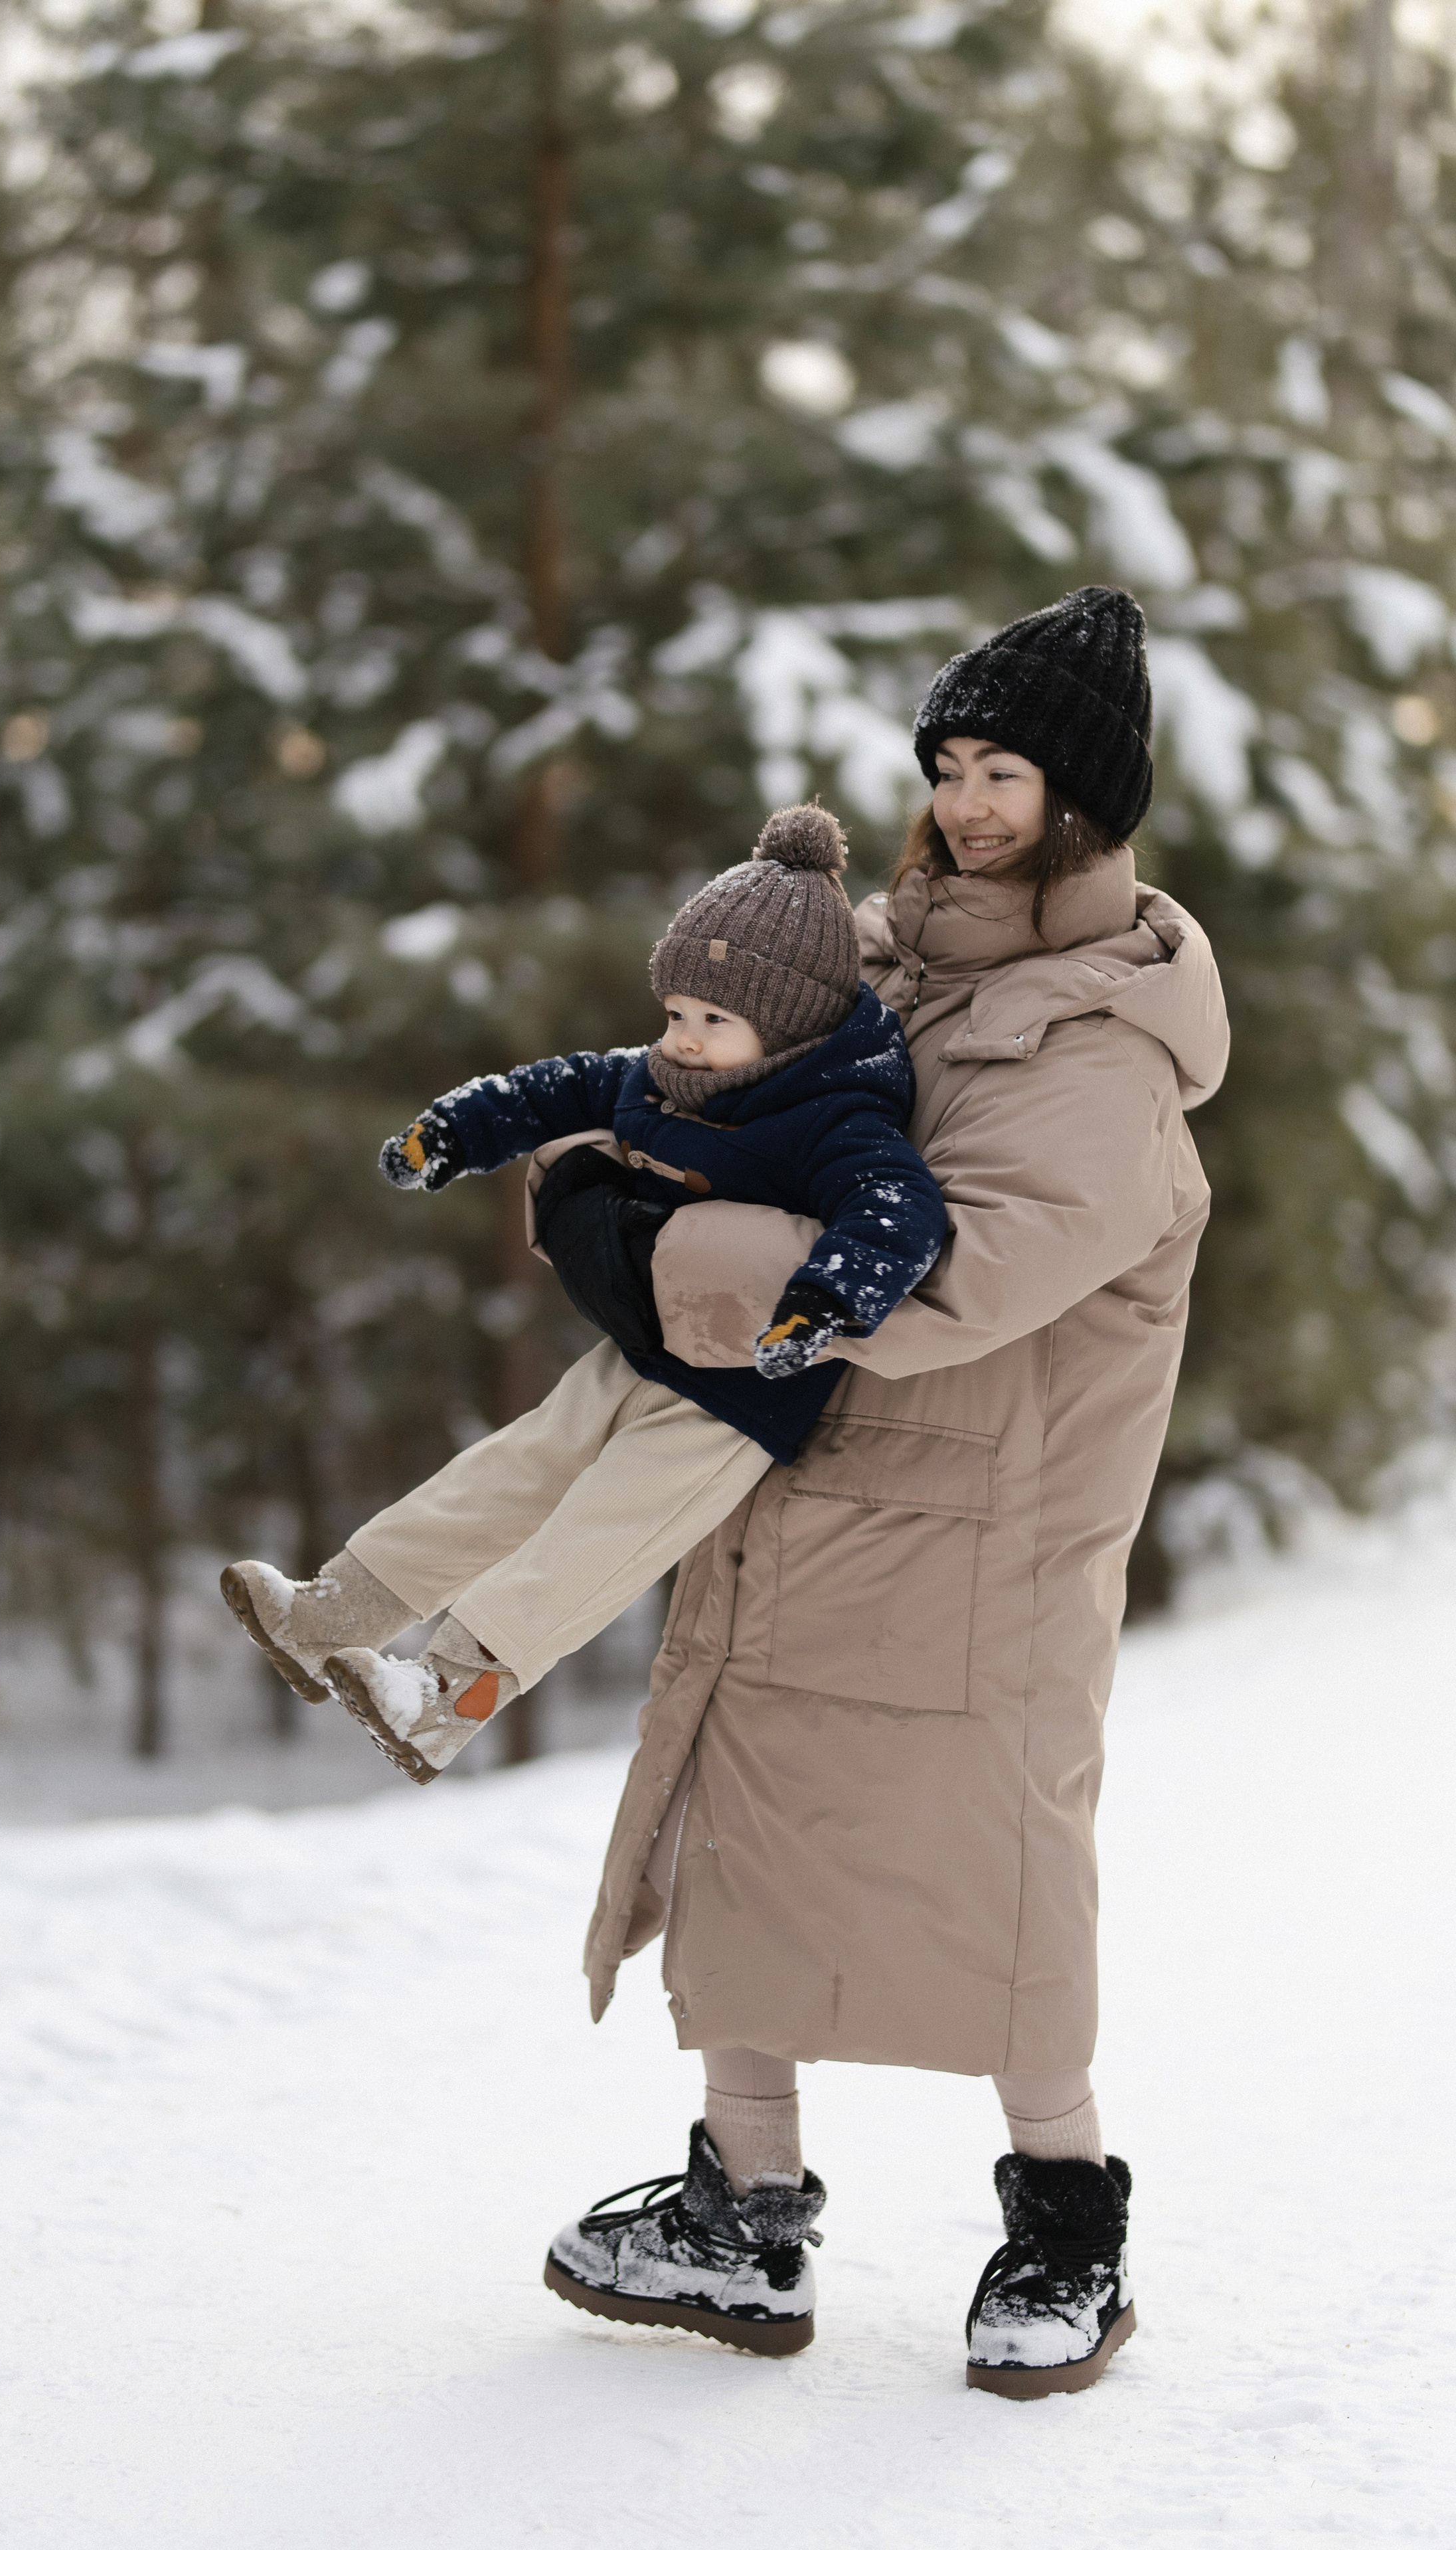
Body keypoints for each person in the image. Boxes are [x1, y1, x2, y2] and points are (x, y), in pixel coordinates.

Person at [542, 586, 1229, 2395]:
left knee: (998, 1872)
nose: (974, 796)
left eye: (1010, 768)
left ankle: (1070, 2222)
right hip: (821, 1480)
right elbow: (746, 1091)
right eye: (952, 763)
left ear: (1087, 799)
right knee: (755, 1841)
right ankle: (740, 2220)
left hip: (995, 1529)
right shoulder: (900, 972)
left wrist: (686, 1255)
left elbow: (954, 1275)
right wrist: (620, 1161)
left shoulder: (1099, 1049)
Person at [220, 805, 947, 1784]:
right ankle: (331, 1617)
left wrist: (826, 1301)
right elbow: (550, 1088)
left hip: (739, 1394)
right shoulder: (661, 1077)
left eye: (714, 1023)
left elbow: (898, 1207)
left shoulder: (836, 1117)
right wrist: (456, 1134)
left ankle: (444, 1697)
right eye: (676, 1014)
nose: (683, 1042)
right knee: (515, 1468)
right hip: (643, 1344)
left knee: (600, 1532)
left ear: (791, 1027)